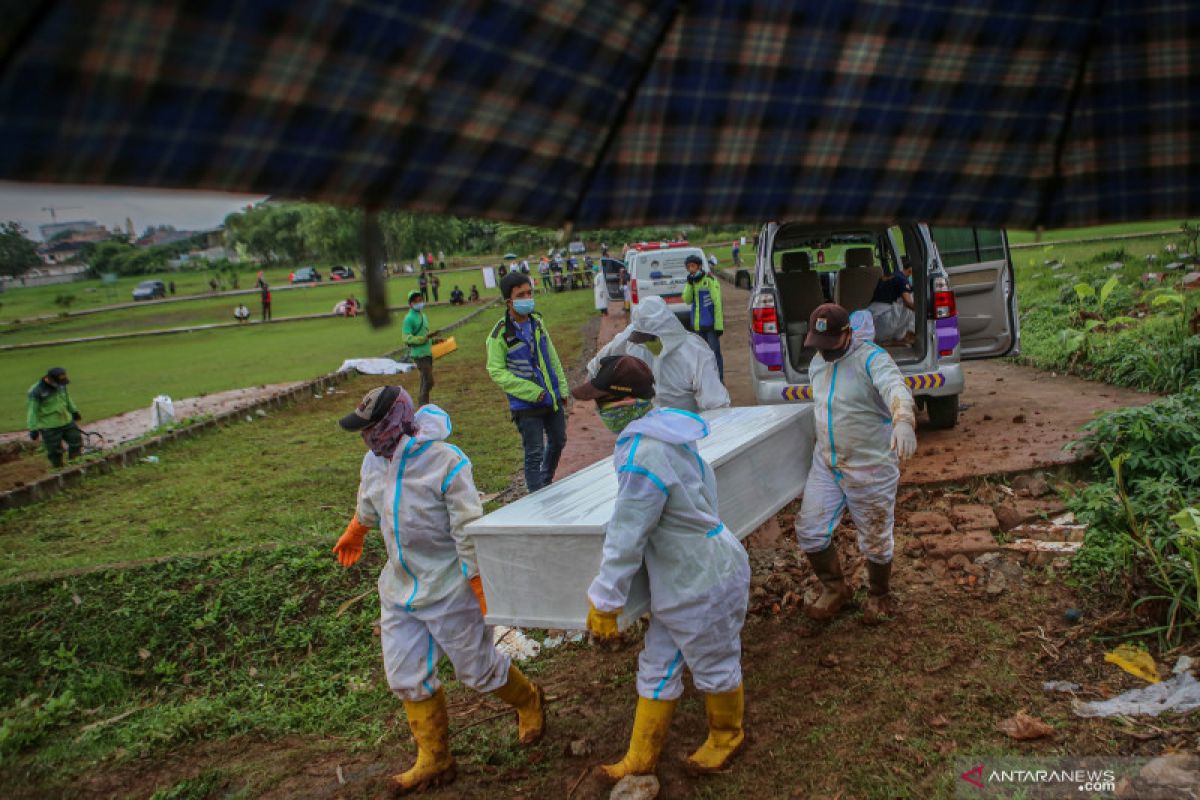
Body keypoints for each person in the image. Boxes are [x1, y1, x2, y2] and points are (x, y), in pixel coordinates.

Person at [334, 387, 544, 793]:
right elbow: (368, 500)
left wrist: (481, 586)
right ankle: (435, 759)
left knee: (478, 671)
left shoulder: (446, 462)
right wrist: (356, 529)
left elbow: (466, 529)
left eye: (372, 428)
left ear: (394, 422)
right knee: (405, 675)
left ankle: (529, 700)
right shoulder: (374, 461)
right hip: (399, 588)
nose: (366, 438)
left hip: (451, 588)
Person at [574, 356, 750, 780]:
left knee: (713, 660)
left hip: (700, 579)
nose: (597, 411)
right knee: (658, 663)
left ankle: (728, 735)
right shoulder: (667, 433)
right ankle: (639, 758)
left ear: (623, 401)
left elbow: (627, 532)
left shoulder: (642, 454)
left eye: (601, 401)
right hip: (688, 573)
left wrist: (606, 598)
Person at [794, 304, 917, 625]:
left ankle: (879, 594)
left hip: (870, 467)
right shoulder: (818, 362)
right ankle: (835, 589)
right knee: (810, 530)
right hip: (827, 464)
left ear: (848, 333)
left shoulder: (872, 359)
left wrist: (903, 418)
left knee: (875, 538)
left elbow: (895, 387)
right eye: (818, 344)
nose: (823, 351)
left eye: (829, 343)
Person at [485, 272, 568, 493]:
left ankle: (545, 482)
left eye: (529, 292)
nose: (527, 298)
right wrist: (533, 393)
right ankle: (536, 498)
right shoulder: (499, 335)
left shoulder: (537, 323)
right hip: (526, 405)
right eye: (521, 295)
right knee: (534, 452)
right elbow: (496, 371)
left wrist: (562, 388)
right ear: (509, 301)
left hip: (552, 397)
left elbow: (552, 356)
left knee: (559, 440)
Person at [589, 296, 729, 413]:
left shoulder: (694, 351)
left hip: (685, 429)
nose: (646, 343)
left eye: (651, 338)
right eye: (642, 338)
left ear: (665, 333)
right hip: (647, 427)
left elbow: (715, 404)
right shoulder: (632, 341)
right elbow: (596, 366)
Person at [27, 367, 82, 468]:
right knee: (54, 451)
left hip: (67, 421)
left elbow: (67, 398)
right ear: (50, 379)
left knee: (76, 442)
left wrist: (74, 411)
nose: (60, 385)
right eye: (58, 382)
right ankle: (58, 469)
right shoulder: (36, 391)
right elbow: (32, 411)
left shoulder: (61, 385)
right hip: (50, 426)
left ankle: (75, 465)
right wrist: (33, 428)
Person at [681, 254, 725, 381]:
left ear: (699, 266)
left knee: (715, 354)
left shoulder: (709, 280)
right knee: (701, 356)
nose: (691, 269)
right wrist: (689, 284)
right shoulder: (692, 282)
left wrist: (719, 326)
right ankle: (707, 381)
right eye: (688, 267)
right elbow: (687, 300)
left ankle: (719, 380)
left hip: (711, 325)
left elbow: (717, 303)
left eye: (693, 266)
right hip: (699, 326)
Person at [868, 255, 915, 344]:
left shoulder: (886, 277)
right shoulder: (902, 280)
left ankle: (896, 338)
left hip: (871, 324)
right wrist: (924, 312)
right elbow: (908, 303)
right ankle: (905, 335)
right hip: (884, 324)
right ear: (910, 270)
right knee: (912, 298)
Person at [404, 291, 435, 407]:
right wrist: (423, 339)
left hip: (427, 353)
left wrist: (434, 339)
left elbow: (425, 334)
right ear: (410, 304)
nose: (419, 303)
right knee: (429, 380)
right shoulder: (409, 319)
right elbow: (406, 338)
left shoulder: (423, 316)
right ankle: (423, 404)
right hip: (419, 354)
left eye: (420, 300)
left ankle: (423, 404)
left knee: (425, 380)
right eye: (415, 301)